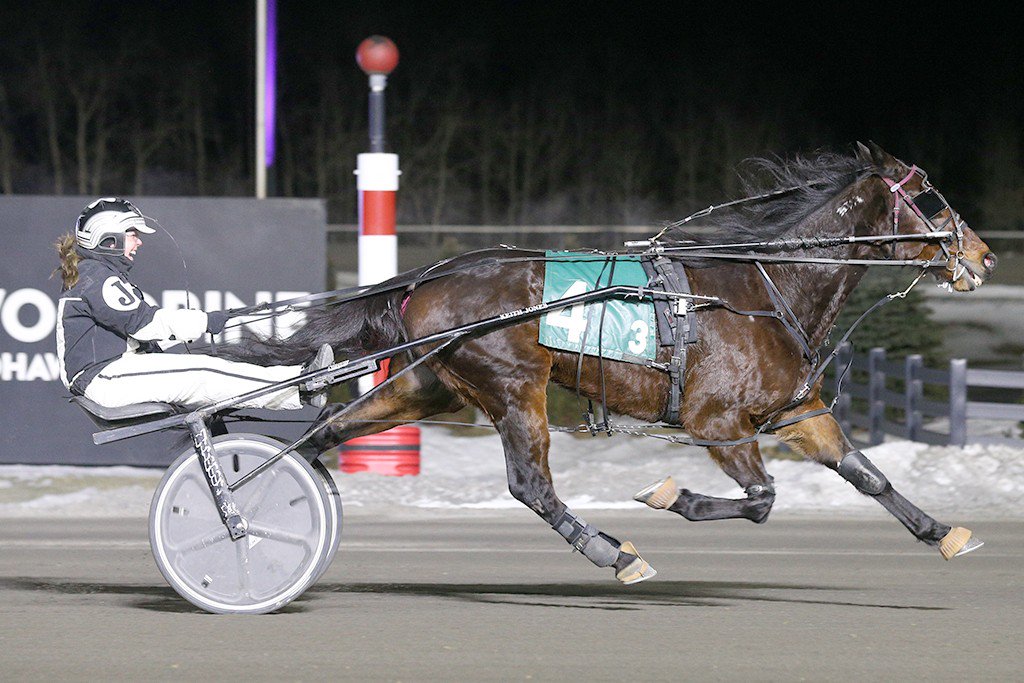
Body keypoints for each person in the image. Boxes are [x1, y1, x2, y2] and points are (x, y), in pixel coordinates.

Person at [53, 197, 333, 411]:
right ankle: (300, 383)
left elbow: (137, 336)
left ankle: (298, 384)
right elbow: (145, 324)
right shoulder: (95, 277)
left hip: (108, 373)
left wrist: (201, 325)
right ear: (109, 239)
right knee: (202, 373)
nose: (138, 242)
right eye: (132, 234)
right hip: (101, 380)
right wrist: (205, 321)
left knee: (204, 368)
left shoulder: (96, 274)